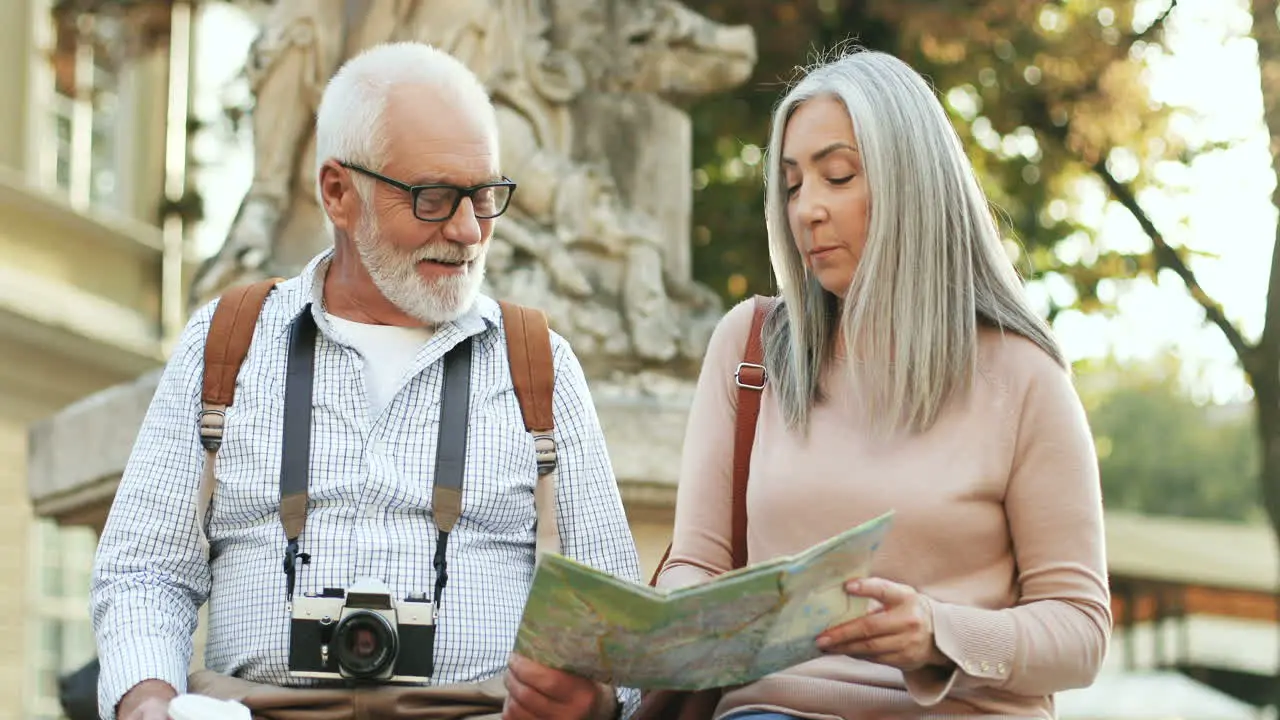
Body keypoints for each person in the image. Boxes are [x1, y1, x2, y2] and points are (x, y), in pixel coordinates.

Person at [91, 42, 640, 720]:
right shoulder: (226, 341)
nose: (469, 230)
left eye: (486, 196)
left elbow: (615, 616)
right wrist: (147, 701)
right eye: (434, 198)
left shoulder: (538, 361)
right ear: (337, 193)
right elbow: (145, 572)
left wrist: (595, 701)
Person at [656, 47, 1110, 719]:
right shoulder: (749, 349)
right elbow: (693, 564)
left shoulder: (1023, 378)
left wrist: (936, 632)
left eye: (837, 175)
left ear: (912, 183)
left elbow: (1080, 632)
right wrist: (677, 621)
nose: (806, 208)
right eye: (791, 184)